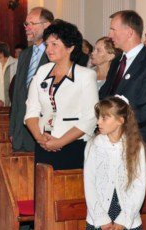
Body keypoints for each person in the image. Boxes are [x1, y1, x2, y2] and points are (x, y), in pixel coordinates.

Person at [83, 96, 146, 230]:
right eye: (99, 117)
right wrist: (101, 217)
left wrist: (124, 219)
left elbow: (139, 185)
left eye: (104, 118)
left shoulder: (135, 146)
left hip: (125, 213)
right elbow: (89, 183)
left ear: (120, 120)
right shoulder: (94, 144)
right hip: (101, 213)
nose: (99, 122)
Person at [25, 20, 98, 170]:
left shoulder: (85, 75)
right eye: (47, 44)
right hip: (43, 143)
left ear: (70, 47)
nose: (48, 49)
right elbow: (31, 110)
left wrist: (60, 142)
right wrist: (40, 138)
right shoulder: (42, 71)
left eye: (54, 44)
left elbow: (90, 118)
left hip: (73, 145)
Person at [99, 10, 146, 163]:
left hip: (135, 142)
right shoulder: (117, 61)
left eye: (113, 29)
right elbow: (105, 95)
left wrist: (115, 124)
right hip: (109, 141)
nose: (109, 35)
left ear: (129, 32)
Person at [9, 7, 54, 152]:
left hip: (44, 132)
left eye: (31, 24)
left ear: (46, 25)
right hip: (20, 132)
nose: (26, 28)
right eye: (26, 24)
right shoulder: (24, 54)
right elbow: (17, 94)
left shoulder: (54, 55)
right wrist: (12, 129)